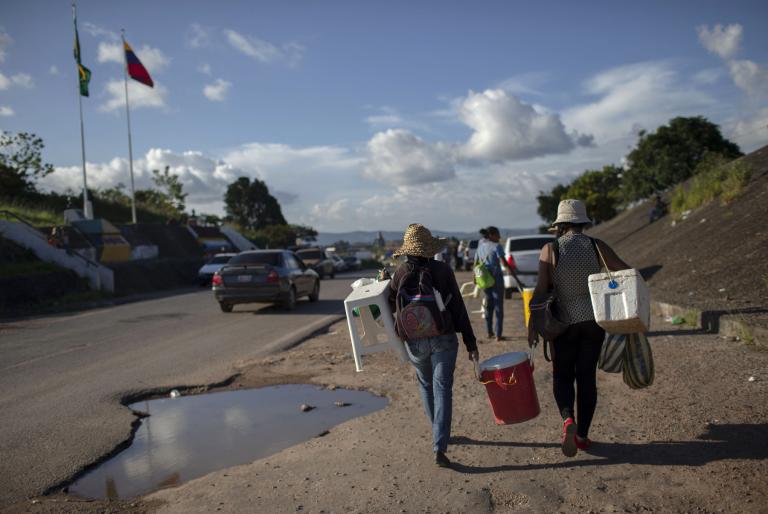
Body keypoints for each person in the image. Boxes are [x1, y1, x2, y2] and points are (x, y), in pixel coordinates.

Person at [528, 199, 629, 457]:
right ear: (583, 223)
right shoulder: (596, 246)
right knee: (586, 379)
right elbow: (626, 271)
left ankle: (567, 421)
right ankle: (582, 436)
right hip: (594, 322)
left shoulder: (550, 249)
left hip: (563, 324)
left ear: (560, 224)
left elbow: (540, 291)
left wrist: (532, 325)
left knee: (562, 375)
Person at [388, 224, 478, 469]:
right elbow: (457, 307)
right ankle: (439, 444)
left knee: (426, 384)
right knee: (442, 388)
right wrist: (471, 342)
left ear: (407, 250)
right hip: (444, 337)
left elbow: (389, 305)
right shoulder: (442, 269)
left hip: (415, 341)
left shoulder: (400, 272)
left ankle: (438, 431)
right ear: (429, 249)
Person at [474, 226, 513, 341]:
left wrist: (475, 278)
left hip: (485, 280)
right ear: (491, 235)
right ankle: (498, 334)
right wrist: (513, 273)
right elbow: (504, 263)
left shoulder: (480, 247)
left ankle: (489, 332)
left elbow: (476, 264)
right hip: (496, 280)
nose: (500, 237)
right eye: (498, 234)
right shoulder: (497, 246)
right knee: (498, 307)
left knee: (488, 306)